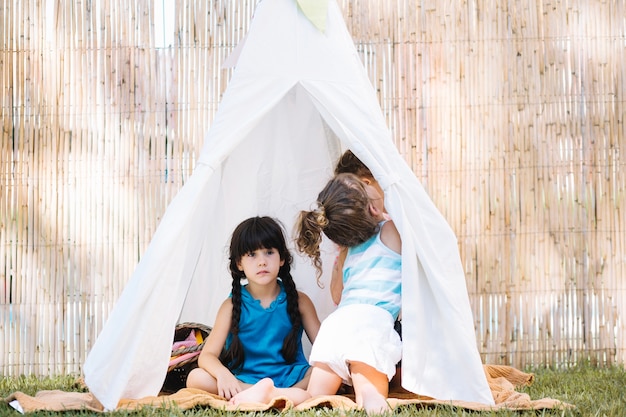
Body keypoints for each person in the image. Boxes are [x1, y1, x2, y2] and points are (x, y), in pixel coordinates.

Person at [295, 172, 403, 414]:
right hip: (370, 323)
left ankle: (270, 393)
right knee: (369, 395)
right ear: (373, 210)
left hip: (336, 325)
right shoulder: (393, 231)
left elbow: (338, 295)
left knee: (312, 396)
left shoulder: (348, 250)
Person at [186, 216, 320, 405]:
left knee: (324, 372)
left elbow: (325, 350)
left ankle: (273, 394)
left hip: (292, 379)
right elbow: (207, 356)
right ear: (239, 263)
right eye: (252, 254)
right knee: (196, 377)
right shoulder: (230, 306)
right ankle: (269, 395)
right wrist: (224, 375)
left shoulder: (300, 301)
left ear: (282, 258)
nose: (262, 262)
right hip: (244, 380)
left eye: (269, 252)